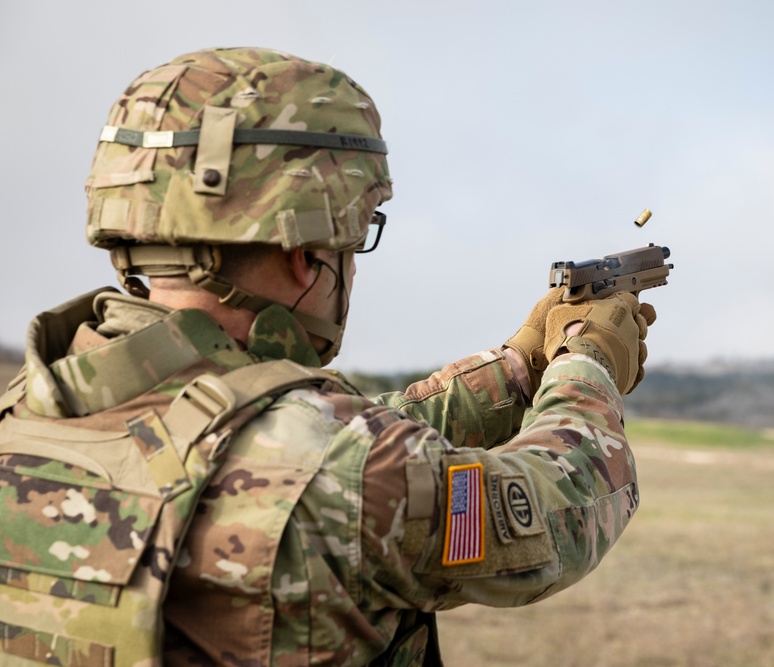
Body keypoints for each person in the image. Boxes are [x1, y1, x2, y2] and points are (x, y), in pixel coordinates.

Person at [0, 47, 655, 666]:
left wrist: (517, 368)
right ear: (306, 251)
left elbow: (307, 445)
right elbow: (561, 510)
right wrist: (588, 359)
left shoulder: (29, 413)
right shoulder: (342, 474)